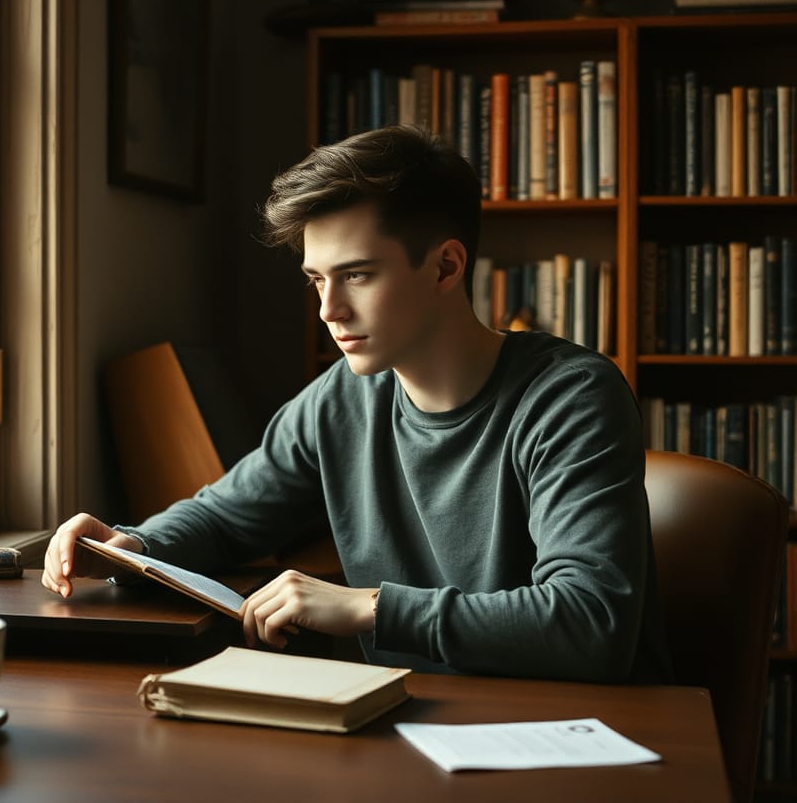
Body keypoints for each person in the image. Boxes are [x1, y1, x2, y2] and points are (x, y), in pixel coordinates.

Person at [42, 124, 672, 683]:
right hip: (413, 730)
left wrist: (367, 607)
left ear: (446, 267)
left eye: (359, 275)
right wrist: (131, 547)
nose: (329, 310)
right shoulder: (342, 399)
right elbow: (225, 517)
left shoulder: (570, 397)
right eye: (318, 279)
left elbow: (591, 625)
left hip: (576, 737)